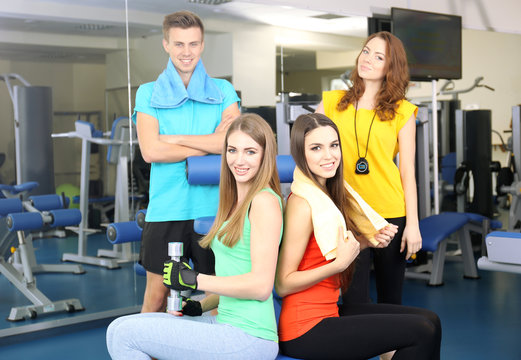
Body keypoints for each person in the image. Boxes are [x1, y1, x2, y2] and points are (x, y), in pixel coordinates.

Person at [107, 113, 283, 360]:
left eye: (250, 152)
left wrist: (194, 279)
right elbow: (234, 277)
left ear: (265, 155)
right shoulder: (234, 201)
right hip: (226, 323)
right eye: (232, 150)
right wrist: (201, 305)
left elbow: (261, 287)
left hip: (249, 337)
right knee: (117, 329)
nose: (239, 160)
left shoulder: (264, 202)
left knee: (126, 334)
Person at [276, 113, 441, 360]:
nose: (329, 155)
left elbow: (317, 254)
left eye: (333, 145)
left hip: (328, 310)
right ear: (301, 153)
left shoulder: (327, 194)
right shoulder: (303, 203)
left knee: (431, 320)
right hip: (304, 328)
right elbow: (283, 282)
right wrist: (339, 265)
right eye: (316, 148)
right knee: (422, 331)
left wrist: (364, 243)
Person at [134, 11, 241, 313]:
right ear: (166, 44)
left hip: (216, 208)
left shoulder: (223, 91)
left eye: (193, 44)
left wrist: (172, 139)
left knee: (221, 297)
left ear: (203, 45)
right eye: (179, 44)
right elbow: (151, 152)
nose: (186, 52)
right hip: (167, 207)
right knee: (156, 296)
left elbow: (232, 144)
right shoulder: (148, 93)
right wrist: (208, 142)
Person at [316, 31, 421, 305]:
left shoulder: (403, 111)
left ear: (390, 67)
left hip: (389, 214)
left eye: (379, 57)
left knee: (390, 300)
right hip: (347, 213)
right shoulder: (332, 102)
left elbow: (407, 171)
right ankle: (359, 349)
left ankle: (390, 350)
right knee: (352, 301)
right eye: (366, 51)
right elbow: (306, 145)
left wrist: (413, 224)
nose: (368, 59)